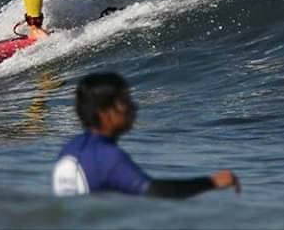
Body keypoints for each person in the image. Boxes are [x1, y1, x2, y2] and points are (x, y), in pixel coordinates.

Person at [52, 72, 241, 198]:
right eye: (125, 102)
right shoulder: (108, 157)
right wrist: (211, 182)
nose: (134, 107)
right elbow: (153, 192)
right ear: (103, 111)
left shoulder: (70, 149)